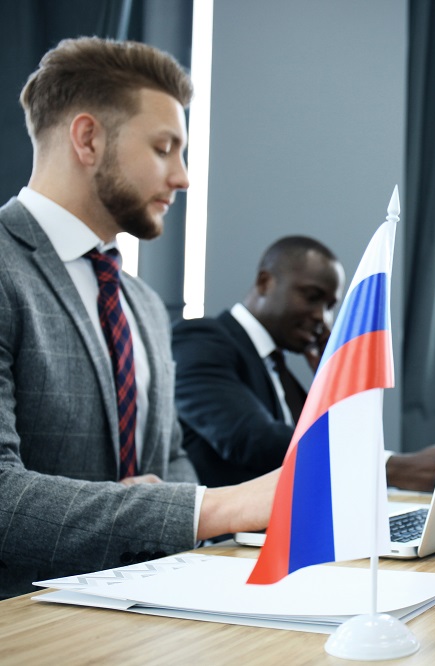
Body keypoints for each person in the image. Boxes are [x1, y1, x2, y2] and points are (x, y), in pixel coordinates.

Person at [0, 37, 276, 599]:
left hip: (148, 620)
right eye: (164, 147)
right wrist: (217, 507)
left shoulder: (144, 304)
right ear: (88, 138)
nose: (183, 177)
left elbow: (169, 460)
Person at [173, 236, 435, 489]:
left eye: (329, 306)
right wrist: (388, 468)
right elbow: (254, 440)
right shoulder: (201, 339)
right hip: (229, 537)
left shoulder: (278, 368)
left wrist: (331, 380)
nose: (322, 318)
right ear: (265, 282)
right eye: (312, 297)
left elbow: (329, 439)